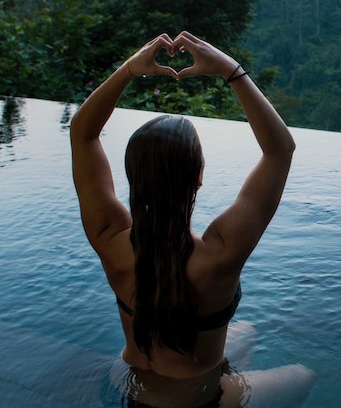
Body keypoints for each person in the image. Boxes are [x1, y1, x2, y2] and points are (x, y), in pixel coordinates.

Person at [70, 32, 315, 407]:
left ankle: (221, 369)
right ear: (198, 176)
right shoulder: (220, 252)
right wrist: (231, 71)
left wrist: (129, 70)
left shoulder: (110, 236)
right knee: (303, 375)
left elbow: (82, 134)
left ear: (133, 177)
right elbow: (280, 150)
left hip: (123, 386)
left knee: (245, 331)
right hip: (196, 402)